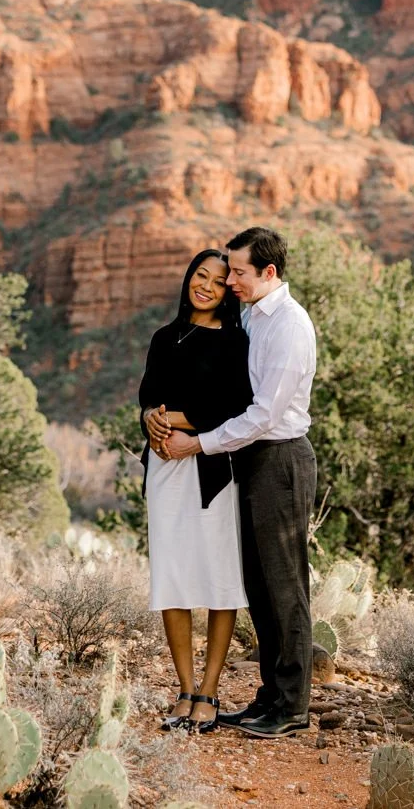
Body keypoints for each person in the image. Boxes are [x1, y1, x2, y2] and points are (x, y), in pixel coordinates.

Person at [156, 226, 317, 739]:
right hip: (249, 460)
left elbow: (264, 414)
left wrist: (198, 443)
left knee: (286, 586)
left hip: (280, 459)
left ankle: (292, 705)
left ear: (268, 273)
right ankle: (270, 696)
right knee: (260, 584)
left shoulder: (290, 325)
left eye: (239, 273)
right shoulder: (254, 317)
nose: (232, 282)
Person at [137, 249, 252, 734]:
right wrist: (150, 418)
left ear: (229, 291)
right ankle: (185, 690)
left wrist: (178, 419)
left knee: (219, 578)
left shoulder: (235, 341)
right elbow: (148, 394)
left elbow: (235, 404)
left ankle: (210, 690)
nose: (205, 285)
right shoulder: (165, 336)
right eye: (200, 275)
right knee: (173, 578)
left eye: (219, 280)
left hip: (211, 469)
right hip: (164, 468)